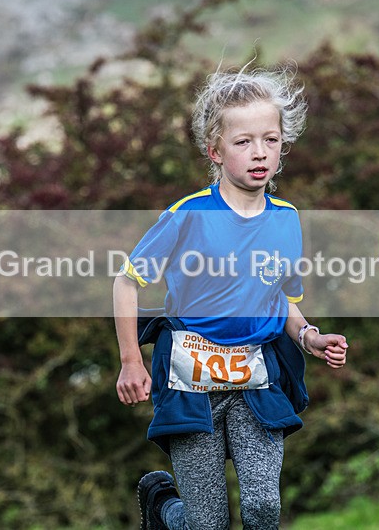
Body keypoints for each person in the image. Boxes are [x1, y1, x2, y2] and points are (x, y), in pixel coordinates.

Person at [114, 65, 349, 530]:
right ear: (215, 151)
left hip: (256, 376)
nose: (259, 152)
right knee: (208, 524)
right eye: (243, 142)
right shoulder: (188, 215)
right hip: (189, 379)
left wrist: (308, 337)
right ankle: (164, 508)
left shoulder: (286, 219)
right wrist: (130, 361)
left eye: (271, 140)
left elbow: (282, 299)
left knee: (263, 511)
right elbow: (126, 282)